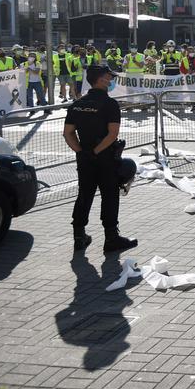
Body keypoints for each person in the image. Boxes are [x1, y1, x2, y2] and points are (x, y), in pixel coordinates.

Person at [62, 65, 138, 252]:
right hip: (105, 158)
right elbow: (112, 134)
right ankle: (111, 238)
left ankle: (79, 237)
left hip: (85, 159)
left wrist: (81, 152)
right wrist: (96, 152)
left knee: (84, 196)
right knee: (110, 196)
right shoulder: (109, 104)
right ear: (101, 79)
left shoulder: (77, 104)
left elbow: (68, 133)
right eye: (109, 77)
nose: (111, 80)